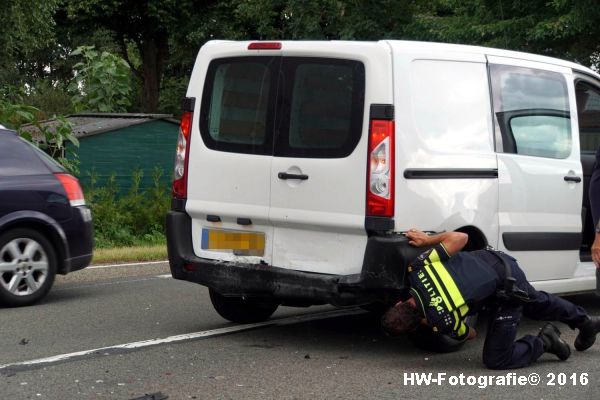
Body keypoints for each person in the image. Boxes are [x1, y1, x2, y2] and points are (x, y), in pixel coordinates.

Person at [381, 229, 600, 370]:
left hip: (507, 286)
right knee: (535, 304)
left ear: (415, 326)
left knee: (498, 358)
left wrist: (431, 318)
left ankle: (545, 342)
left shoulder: (443, 322)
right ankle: (585, 323)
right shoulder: (418, 269)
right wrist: (428, 240)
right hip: (495, 261)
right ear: (399, 303)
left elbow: (471, 334)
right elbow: (461, 238)